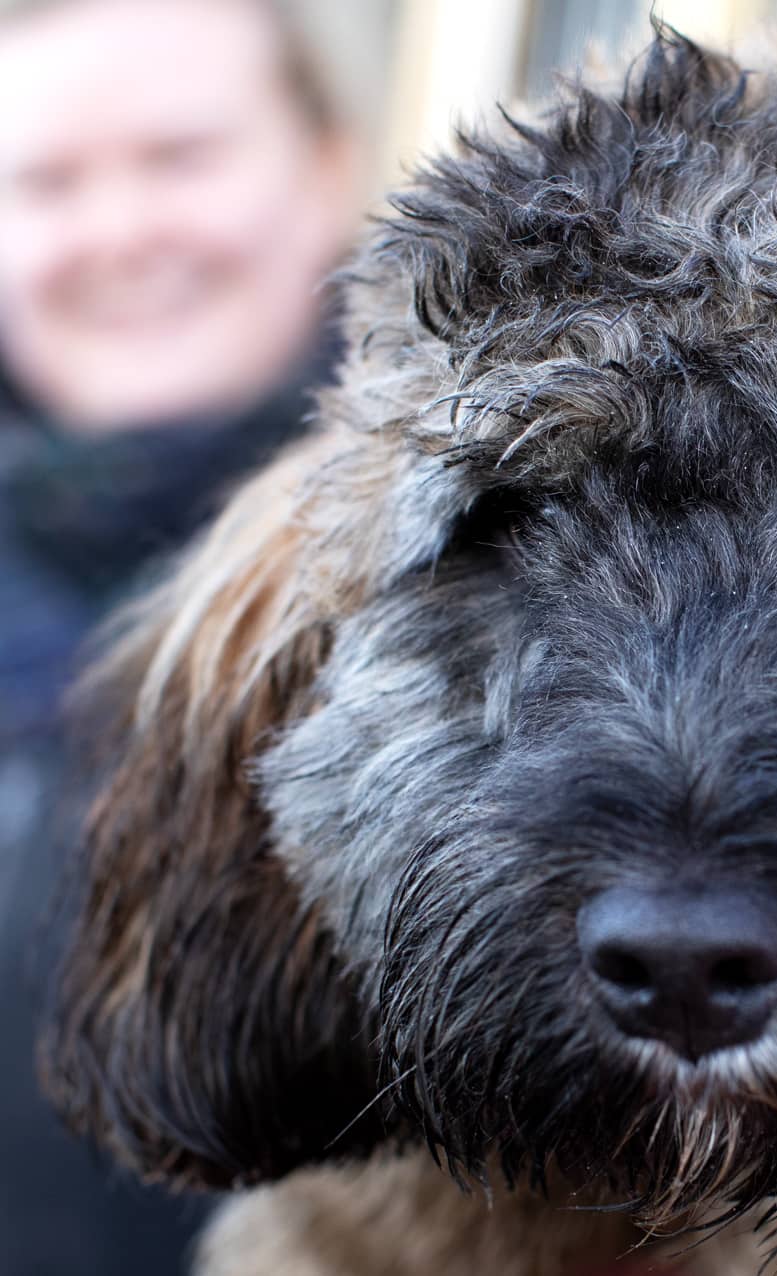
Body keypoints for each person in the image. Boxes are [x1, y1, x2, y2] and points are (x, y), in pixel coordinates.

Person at [0, 1, 367, 1269]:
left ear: (326, 170)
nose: (122, 231)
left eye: (180, 158)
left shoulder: (494, 557)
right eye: (45, 182)